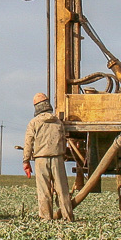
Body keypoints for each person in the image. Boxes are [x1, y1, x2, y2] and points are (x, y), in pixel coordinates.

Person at [23, 92, 74, 221]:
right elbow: (63, 140)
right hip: (57, 158)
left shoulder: (33, 123)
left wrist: (26, 161)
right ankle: (68, 218)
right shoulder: (58, 121)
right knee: (62, 191)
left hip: (41, 159)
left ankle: (46, 219)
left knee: (44, 191)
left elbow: (28, 143)